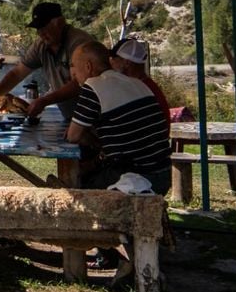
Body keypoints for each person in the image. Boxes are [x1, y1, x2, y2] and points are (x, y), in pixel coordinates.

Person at [67, 41, 172, 194]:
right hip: (163, 174)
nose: (73, 74)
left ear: (88, 67)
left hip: (136, 179)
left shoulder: (93, 86)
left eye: (73, 66)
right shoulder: (139, 84)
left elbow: (72, 136)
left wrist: (88, 138)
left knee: (80, 185)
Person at [0, 2, 96, 118]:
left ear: (60, 22)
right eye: (37, 29)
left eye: (44, 27)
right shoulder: (41, 45)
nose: (41, 33)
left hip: (92, 117)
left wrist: (44, 100)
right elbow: (17, 74)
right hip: (72, 117)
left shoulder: (79, 43)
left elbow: (79, 83)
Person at [111, 37, 171, 122]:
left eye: (114, 59)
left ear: (126, 63)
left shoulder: (136, 90)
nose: (111, 63)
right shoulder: (146, 86)